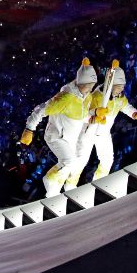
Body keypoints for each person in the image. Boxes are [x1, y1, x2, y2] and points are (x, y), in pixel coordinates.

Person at [20, 58, 97, 197]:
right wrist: (29, 129)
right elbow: (41, 109)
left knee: (69, 166)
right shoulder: (66, 97)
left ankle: (53, 194)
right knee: (69, 162)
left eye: (93, 85)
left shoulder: (87, 97)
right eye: (89, 85)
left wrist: (92, 117)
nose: (91, 88)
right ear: (80, 83)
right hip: (56, 136)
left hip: (70, 138)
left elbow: (80, 115)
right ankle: (49, 183)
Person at [71, 62, 137, 186]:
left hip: (103, 134)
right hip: (88, 132)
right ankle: (70, 185)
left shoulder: (120, 97)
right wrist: (95, 113)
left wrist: (135, 114)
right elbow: (82, 114)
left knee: (108, 160)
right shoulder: (96, 96)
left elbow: (125, 106)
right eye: (120, 86)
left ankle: (97, 184)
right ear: (112, 85)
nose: (122, 88)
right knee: (80, 161)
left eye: (123, 86)